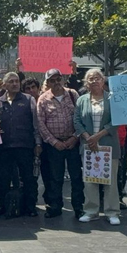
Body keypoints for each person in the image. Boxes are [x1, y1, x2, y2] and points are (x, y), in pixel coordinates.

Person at [74, 69, 121, 225]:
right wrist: (88, 138)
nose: (94, 81)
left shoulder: (112, 99)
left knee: (110, 181)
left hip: (108, 145)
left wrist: (98, 136)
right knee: (90, 180)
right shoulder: (81, 100)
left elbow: (116, 120)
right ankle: (91, 211)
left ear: (103, 81)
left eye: (97, 78)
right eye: (91, 78)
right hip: (88, 146)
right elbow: (77, 121)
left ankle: (112, 211)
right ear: (86, 82)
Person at [36, 69, 84, 219]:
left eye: (58, 79)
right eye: (52, 80)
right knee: (55, 178)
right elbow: (40, 124)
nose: (56, 83)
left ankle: (78, 207)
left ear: (62, 79)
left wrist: (75, 138)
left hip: (72, 143)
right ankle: (55, 207)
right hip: (54, 145)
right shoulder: (43, 99)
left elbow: (81, 118)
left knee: (76, 177)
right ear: (48, 82)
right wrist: (54, 142)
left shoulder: (73, 94)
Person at [0, 74, 42, 218]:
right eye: (11, 81)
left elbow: (36, 124)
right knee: (3, 178)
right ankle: (3, 206)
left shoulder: (29, 100)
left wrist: (38, 143)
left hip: (24, 145)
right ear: (4, 85)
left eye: (17, 81)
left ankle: (30, 206)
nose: (15, 84)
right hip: (4, 147)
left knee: (28, 178)